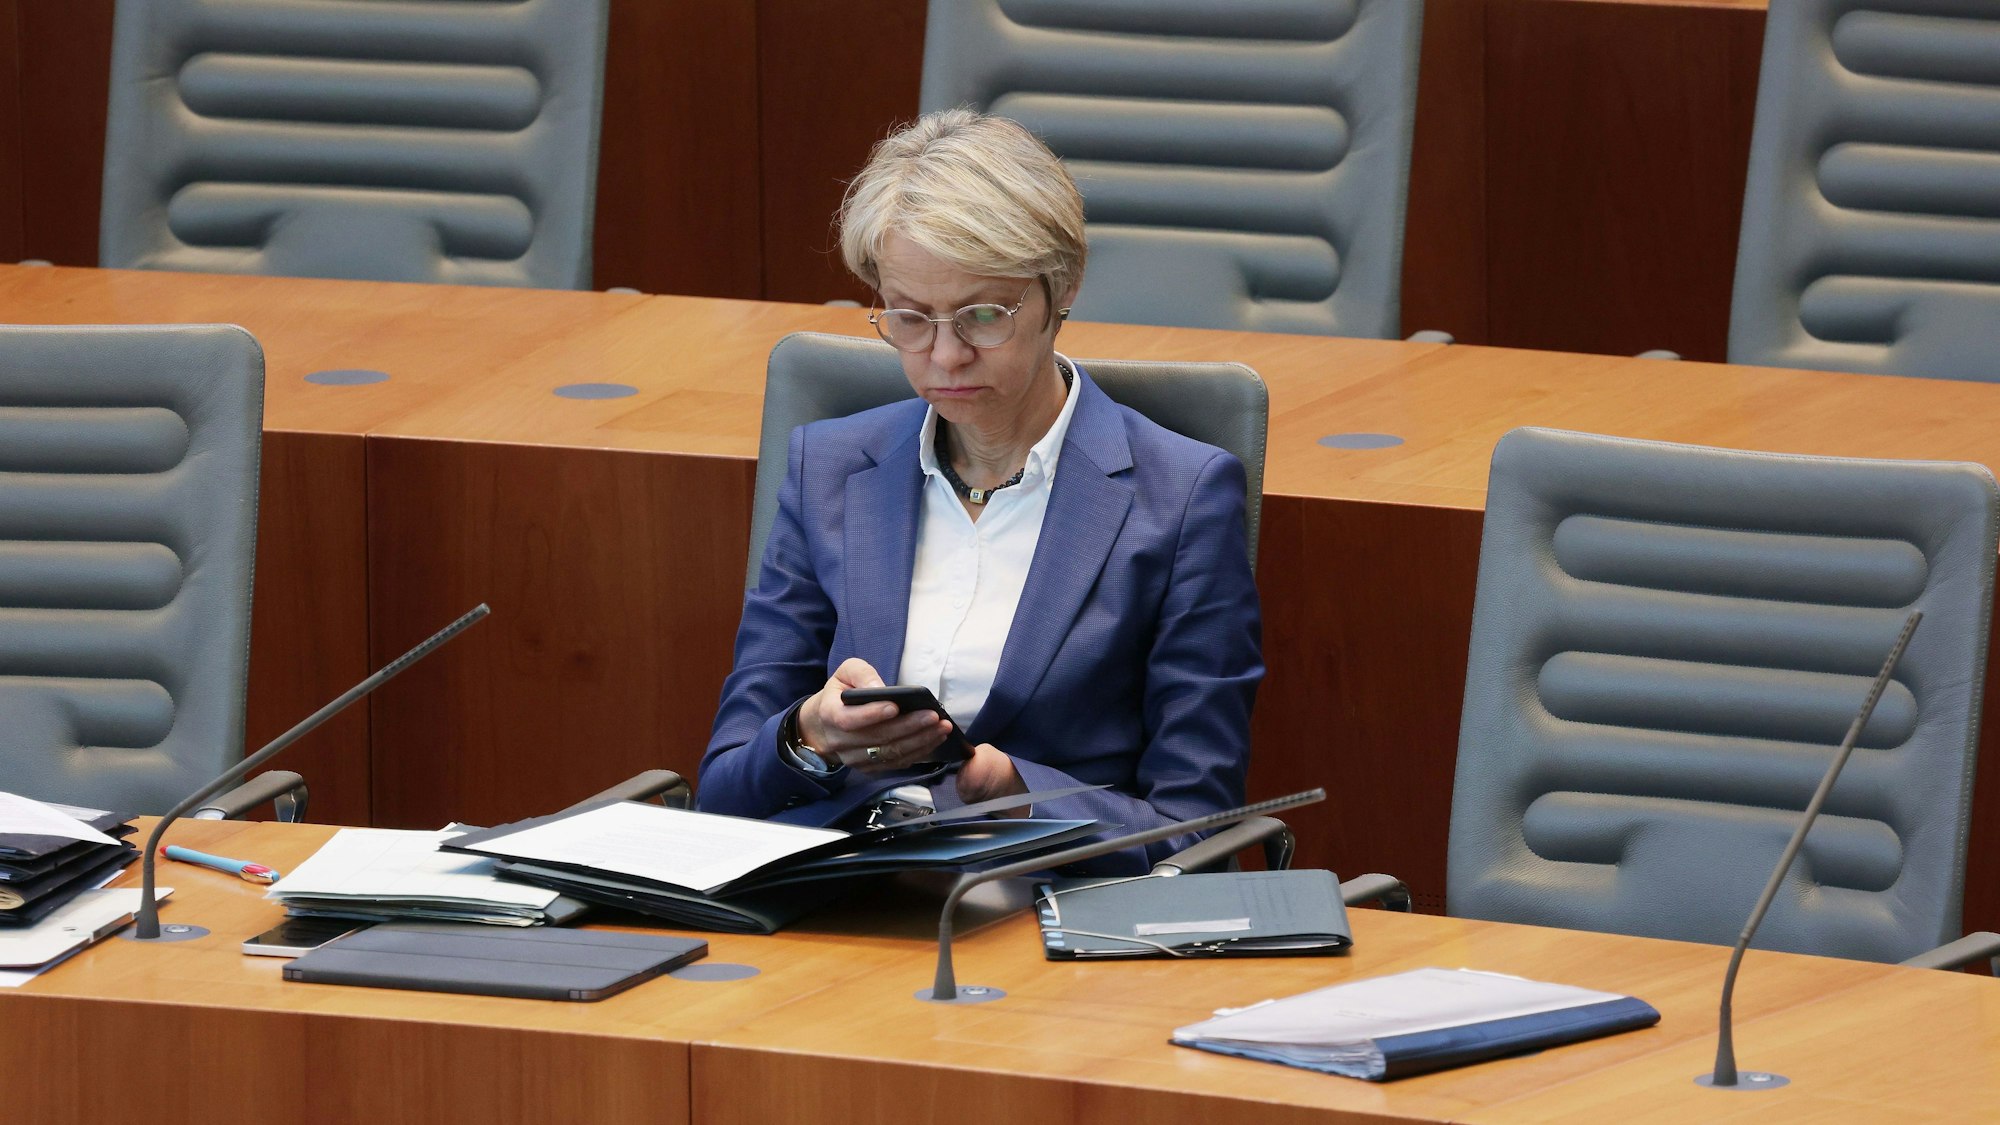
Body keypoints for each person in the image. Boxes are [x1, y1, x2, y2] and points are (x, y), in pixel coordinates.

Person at [697, 108, 1262, 871]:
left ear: (1059, 290)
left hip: (1039, 909)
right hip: (834, 895)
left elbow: (1199, 831)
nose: (945, 357)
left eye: (983, 316)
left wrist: (1022, 792)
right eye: (909, 318)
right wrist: (809, 736)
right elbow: (722, 795)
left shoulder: (1184, 497)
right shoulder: (827, 468)